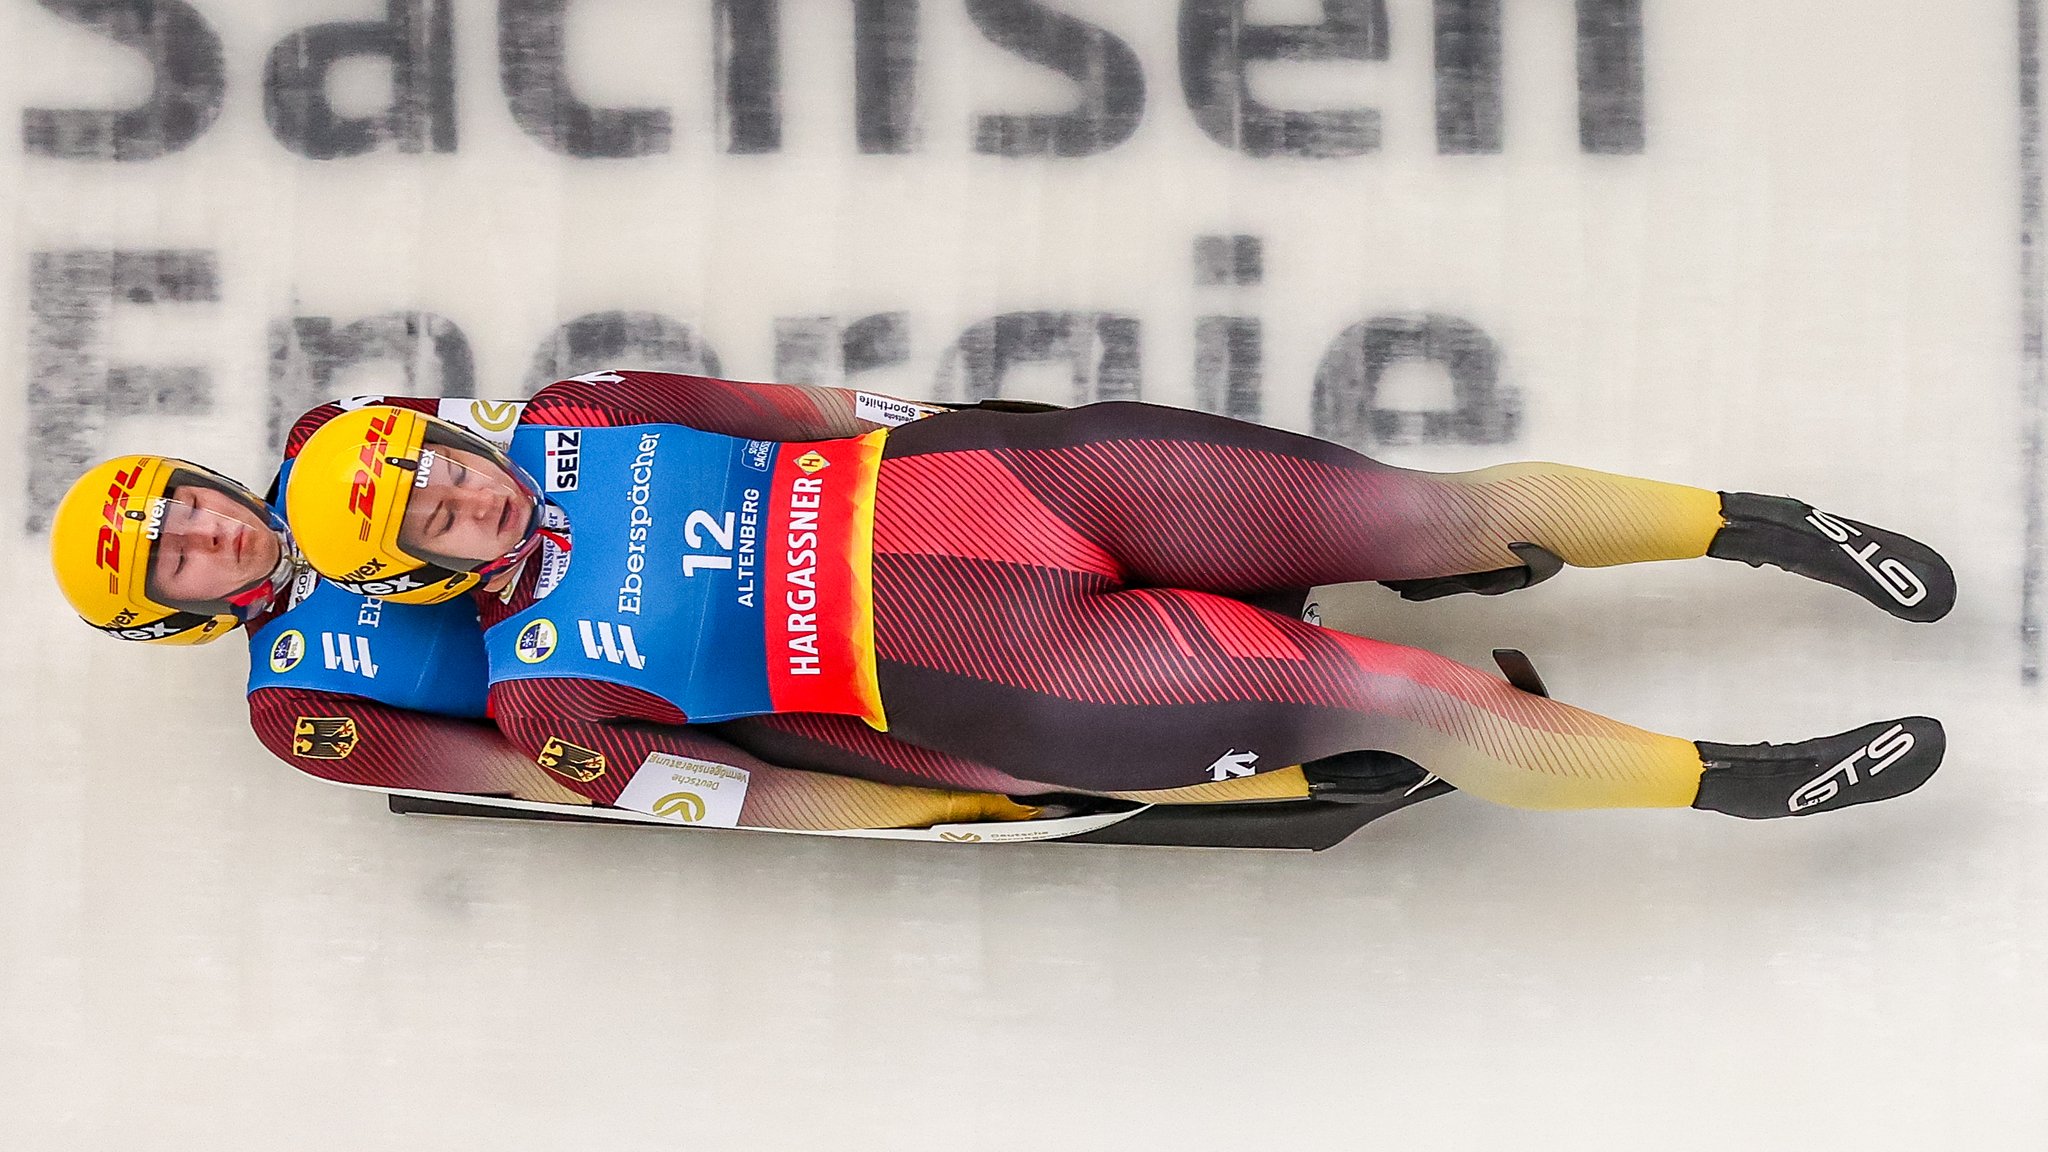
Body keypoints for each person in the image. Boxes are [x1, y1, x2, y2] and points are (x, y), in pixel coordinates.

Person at [282, 370, 1953, 822]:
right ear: (416, 565)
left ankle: (1764, 524)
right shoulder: (540, 699)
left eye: (434, 457)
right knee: (1397, 693)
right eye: (426, 514)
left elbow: (797, 410)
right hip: (1015, 660)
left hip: (1020, 480)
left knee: (1424, 509)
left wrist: (987, 424)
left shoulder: (582, 413)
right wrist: (980, 797)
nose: (459, 491)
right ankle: (1726, 784)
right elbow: (773, 788)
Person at [45, 396, 1094, 830]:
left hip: (753, 541)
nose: (210, 533)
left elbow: (520, 444)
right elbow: (523, 774)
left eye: (184, 507)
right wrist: (813, 808)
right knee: (1006, 761)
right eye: (176, 558)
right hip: (689, 690)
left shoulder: (339, 438)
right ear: (169, 615)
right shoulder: (296, 707)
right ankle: (1013, 785)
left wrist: (896, 424)